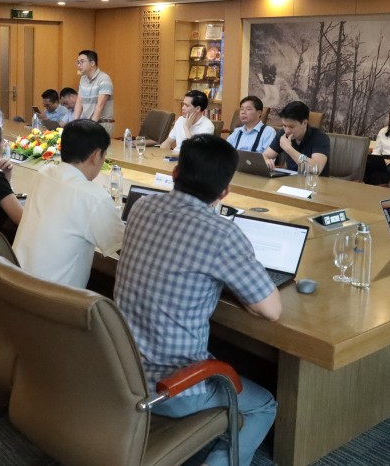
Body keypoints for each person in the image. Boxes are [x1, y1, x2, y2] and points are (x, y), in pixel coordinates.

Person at [115, 134, 281, 466]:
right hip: (172, 388)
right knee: (264, 405)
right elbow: (271, 310)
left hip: (119, 368)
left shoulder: (142, 207)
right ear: (225, 192)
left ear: (175, 174)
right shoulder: (222, 234)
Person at [12, 120, 123, 288]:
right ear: (95, 156)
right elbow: (125, 247)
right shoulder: (93, 197)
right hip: (52, 299)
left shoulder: (44, 173)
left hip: (12, 284)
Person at [263, 100, 330, 176]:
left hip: (314, 181)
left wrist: (289, 149)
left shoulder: (320, 138)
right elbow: (265, 155)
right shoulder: (283, 134)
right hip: (290, 180)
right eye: (284, 125)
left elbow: (316, 169)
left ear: (304, 123)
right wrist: (266, 161)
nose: (287, 130)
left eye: (291, 127)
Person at [71, 50, 114, 134]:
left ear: (92, 63)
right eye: (78, 62)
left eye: (82, 62)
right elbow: (79, 102)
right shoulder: (83, 79)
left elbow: (100, 105)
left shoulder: (104, 79)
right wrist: (74, 124)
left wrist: (92, 126)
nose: (79, 65)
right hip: (89, 123)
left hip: (102, 124)